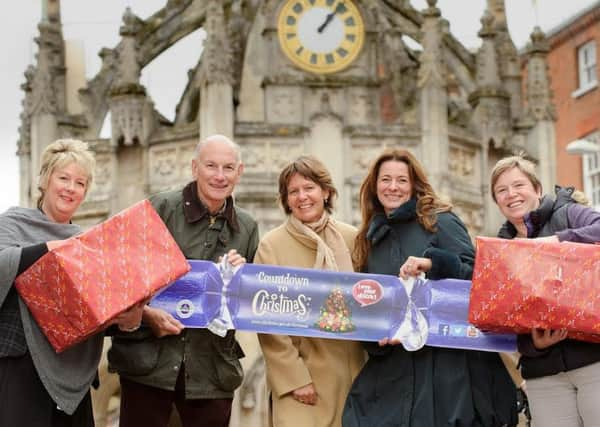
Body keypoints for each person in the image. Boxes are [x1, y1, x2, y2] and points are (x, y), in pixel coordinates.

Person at [342, 148, 517, 427]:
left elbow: (478, 277)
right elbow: (370, 306)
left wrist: (432, 263)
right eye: (385, 179)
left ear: (414, 184)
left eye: (402, 180)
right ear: (374, 186)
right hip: (394, 373)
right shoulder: (369, 240)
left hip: (449, 370)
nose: (393, 187)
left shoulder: (440, 220)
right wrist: (376, 338)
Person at [108, 134, 259, 427]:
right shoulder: (161, 208)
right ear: (194, 168)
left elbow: (244, 304)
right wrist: (147, 314)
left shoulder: (248, 227)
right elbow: (119, 275)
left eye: (228, 168)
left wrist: (239, 279)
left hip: (212, 371)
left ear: (239, 172)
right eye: (211, 166)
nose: (219, 176)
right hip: (149, 365)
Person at [0, 139, 144, 427]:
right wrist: (51, 249)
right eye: (63, 178)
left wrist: (128, 319)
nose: (70, 188)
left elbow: (89, 312)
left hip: (72, 377)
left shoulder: (89, 244)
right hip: (18, 370)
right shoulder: (12, 223)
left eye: (79, 183)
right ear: (44, 180)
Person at [255, 156, 365, 427]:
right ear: (286, 199)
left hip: (353, 376)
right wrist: (295, 379)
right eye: (293, 191)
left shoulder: (352, 238)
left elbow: (368, 301)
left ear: (325, 192)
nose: (302, 197)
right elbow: (268, 323)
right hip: (302, 384)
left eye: (309, 188)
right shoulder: (271, 245)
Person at [490, 155, 600, 426]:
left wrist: (558, 242)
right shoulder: (501, 248)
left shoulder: (568, 213)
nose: (511, 195)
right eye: (501, 191)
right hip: (543, 374)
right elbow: (506, 318)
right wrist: (533, 345)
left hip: (594, 361)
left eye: (518, 185)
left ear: (537, 189)